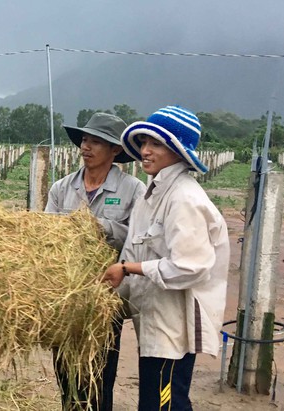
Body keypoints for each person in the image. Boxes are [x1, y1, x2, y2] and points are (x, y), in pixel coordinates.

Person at [103, 106, 230, 411]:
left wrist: (127, 268)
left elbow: (191, 268)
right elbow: (136, 247)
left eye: (156, 144)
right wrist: (107, 297)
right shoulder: (155, 192)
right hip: (156, 322)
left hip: (173, 329)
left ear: (178, 151)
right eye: (144, 142)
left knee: (165, 404)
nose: (146, 151)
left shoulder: (184, 198)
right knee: (152, 401)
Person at [45, 112, 146, 410]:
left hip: (105, 298)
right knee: (65, 373)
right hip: (66, 297)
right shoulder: (62, 188)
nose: (86, 147)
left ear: (115, 150)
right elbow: (47, 236)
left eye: (96, 142)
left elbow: (139, 241)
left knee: (100, 376)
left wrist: (102, 227)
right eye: (85, 140)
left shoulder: (133, 190)